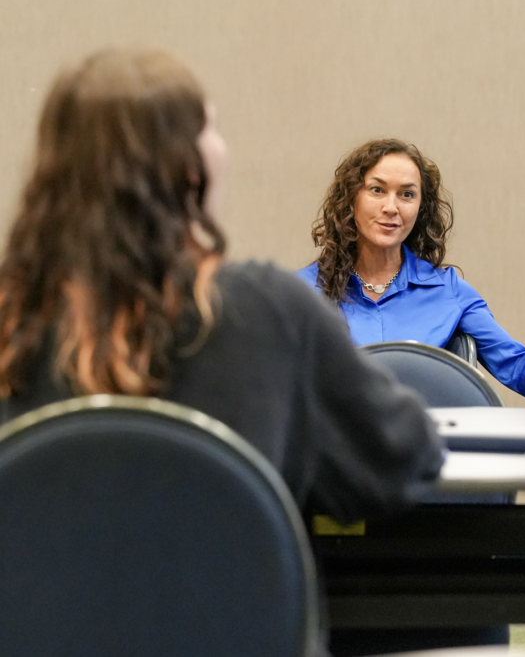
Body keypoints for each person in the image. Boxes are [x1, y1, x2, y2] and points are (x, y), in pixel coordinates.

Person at [0, 49, 443, 526]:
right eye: (208, 125)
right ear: (191, 169)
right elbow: (406, 459)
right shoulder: (271, 312)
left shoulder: (14, 318)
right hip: (237, 602)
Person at [296, 139, 525, 398]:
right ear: (351, 199)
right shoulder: (302, 294)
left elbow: (520, 374)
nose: (391, 207)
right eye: (377, 190)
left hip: (423, 458)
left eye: (407, 194)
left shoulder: (450, 292)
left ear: (420, 208)